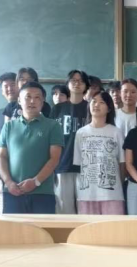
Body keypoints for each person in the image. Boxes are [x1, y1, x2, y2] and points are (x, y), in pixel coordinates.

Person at [0, 82, 64, 214]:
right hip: (12, 192)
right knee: (12, 228)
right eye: (28, 97)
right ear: (19, 100)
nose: (32, 101)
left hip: (42, 193)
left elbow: (54, 159)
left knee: (42, 227)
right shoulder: (9, 126)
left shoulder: (53, 126)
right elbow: (1, 156)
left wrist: (35, 182)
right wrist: (8, 182)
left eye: (37, 97)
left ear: (43, 102)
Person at [73, 92, 126, 215]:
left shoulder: (116, 132)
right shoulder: (81, 133)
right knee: (88, 227)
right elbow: (78, 166)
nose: (96, 105)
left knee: (113, 226)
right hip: (86, 195)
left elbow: (122, 164)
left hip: (112, 194)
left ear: (109, 108)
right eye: (94, 101)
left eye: (101, 102)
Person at [50, 69, 91, 214]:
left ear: (86, 85)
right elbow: (50, 139)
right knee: (64, 209)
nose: (77, 83)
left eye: (81, 81)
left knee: (85, 210)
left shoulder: (91, 108)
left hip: (86, 167)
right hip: (62, 165)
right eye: (73, 80)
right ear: (68, 84)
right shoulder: (57, 109)